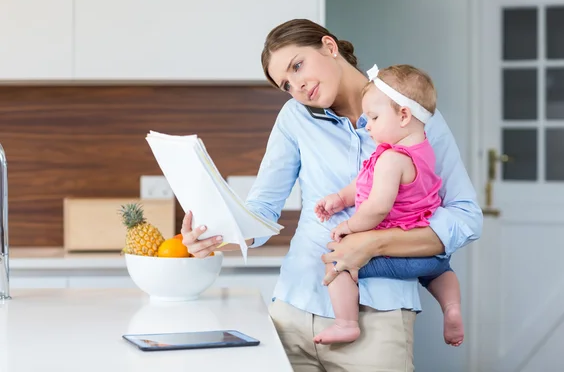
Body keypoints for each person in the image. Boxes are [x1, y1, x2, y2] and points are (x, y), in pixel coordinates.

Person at [181, 19, 483, 372]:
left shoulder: (410, 112)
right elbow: (262, 211)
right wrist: (217, 237)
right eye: (286, 84)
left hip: (379, 322)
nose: (298, 86)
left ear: (329, 46)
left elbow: (465, 216)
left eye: (298, 66)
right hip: (292, 314)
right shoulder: (295, 117)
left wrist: (374, 243)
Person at [313, 64, 463, 347]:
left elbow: (377, 208)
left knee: (337, 263)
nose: (367, 125)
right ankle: (451, 307)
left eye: (374, 117)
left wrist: (348, 225)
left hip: (395, 254)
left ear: (403, 115)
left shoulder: (391, 160)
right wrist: (340, 199)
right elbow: (363, 183)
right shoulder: (425, 152)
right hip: (428, 249)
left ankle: (345, 323)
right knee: (440, 272)